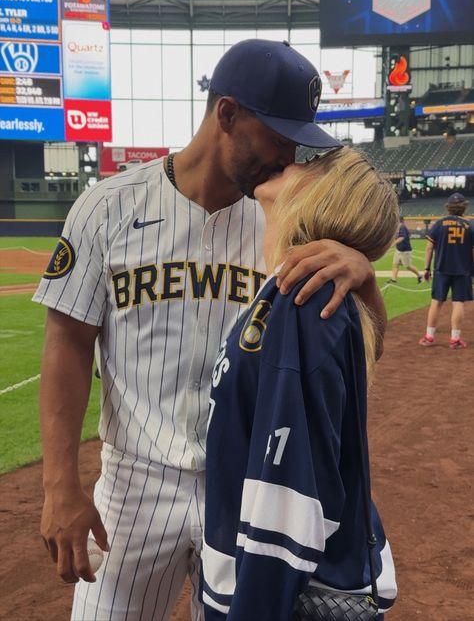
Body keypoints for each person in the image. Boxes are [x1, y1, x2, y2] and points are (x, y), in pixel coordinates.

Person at [33, 39, 387, 621]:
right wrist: (59, 486)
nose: (288, 153)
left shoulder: (287, 220)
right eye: (277, 133)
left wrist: (363, 276)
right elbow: (67, 342)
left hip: (247, 485)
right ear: (227, 114)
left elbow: (359, 349)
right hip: (137, 484)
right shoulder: (108, 206)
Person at [202, 147, 399, 620]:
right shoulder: (295, 295)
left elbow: (287, 510)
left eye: (307, 165)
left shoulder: (305, 305)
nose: (286, 160)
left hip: (281, 594)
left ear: (322, 197)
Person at [419, 192, 474, 349]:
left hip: (441, 269)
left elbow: (429, 248)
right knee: (458, 303)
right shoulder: (470, 225)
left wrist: (426, 268)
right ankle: (454, 339)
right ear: (464, 207)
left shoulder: (439, 224)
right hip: (463, 271)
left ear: (448, 207)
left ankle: (429, 337)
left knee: (436, 302)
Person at [387, 215, 422, 284]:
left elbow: (402, 237)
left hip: (405, 251)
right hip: (399, 249)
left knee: (408, 266)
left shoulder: (402, 227)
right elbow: (397, 237)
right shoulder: (398, 227)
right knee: (395, 264)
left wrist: (393, 243)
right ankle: (393, 279)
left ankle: (420, 276)